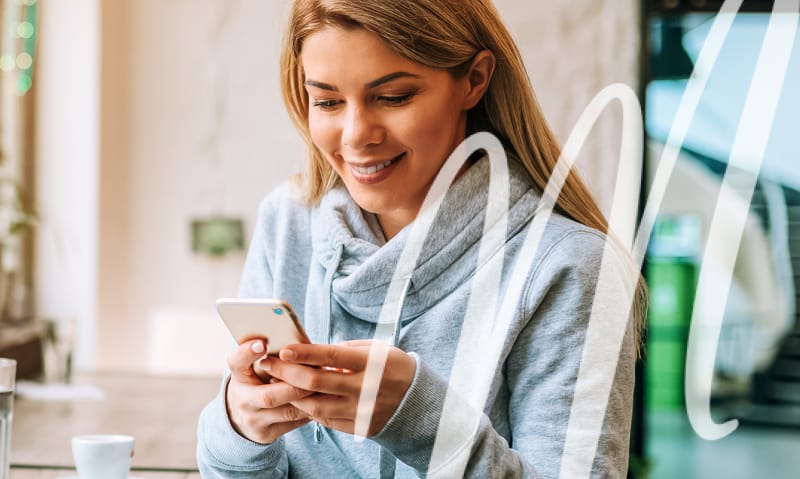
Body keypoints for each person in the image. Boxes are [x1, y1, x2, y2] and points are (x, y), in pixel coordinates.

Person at [197, 0, 644, 477]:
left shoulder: (568, 266)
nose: (354, 136)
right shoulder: (289, 221)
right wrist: (237, 426)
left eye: (393, 97)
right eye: (327, 101)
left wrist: (422, 423)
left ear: (474, 80)